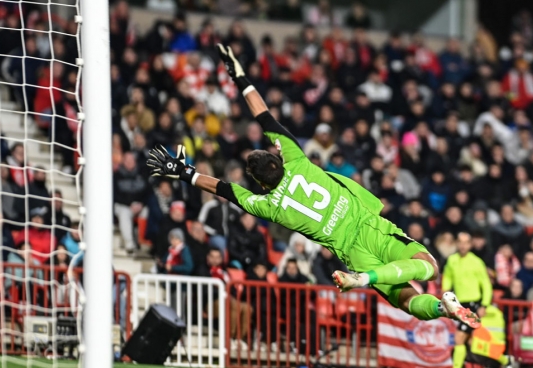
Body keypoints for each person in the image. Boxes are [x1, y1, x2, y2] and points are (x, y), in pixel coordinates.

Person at [147, 44, 481, 337]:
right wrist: (241, 79)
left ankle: (433, 306)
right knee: (428, 265)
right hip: (369, 227)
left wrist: (187, 174)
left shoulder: (267, 206)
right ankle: (380, 284)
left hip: (351, 252)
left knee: (406, 300)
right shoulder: (296, 159)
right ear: (278, 155)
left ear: (261, 183)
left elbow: (224, 189)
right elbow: (264, 116)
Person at [439, 232, 492, 368]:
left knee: (459, 338)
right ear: (457, 243)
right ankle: (505, 360)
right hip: (459, 304)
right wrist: (445, 292)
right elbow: (447, 277)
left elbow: (486, 285)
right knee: (470, 343)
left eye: (466, 242)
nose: (463, 245)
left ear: (470, 244)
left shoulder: (477, 262)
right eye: (460, 242)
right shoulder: (452, 260)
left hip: (473, 305)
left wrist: (485, 304)